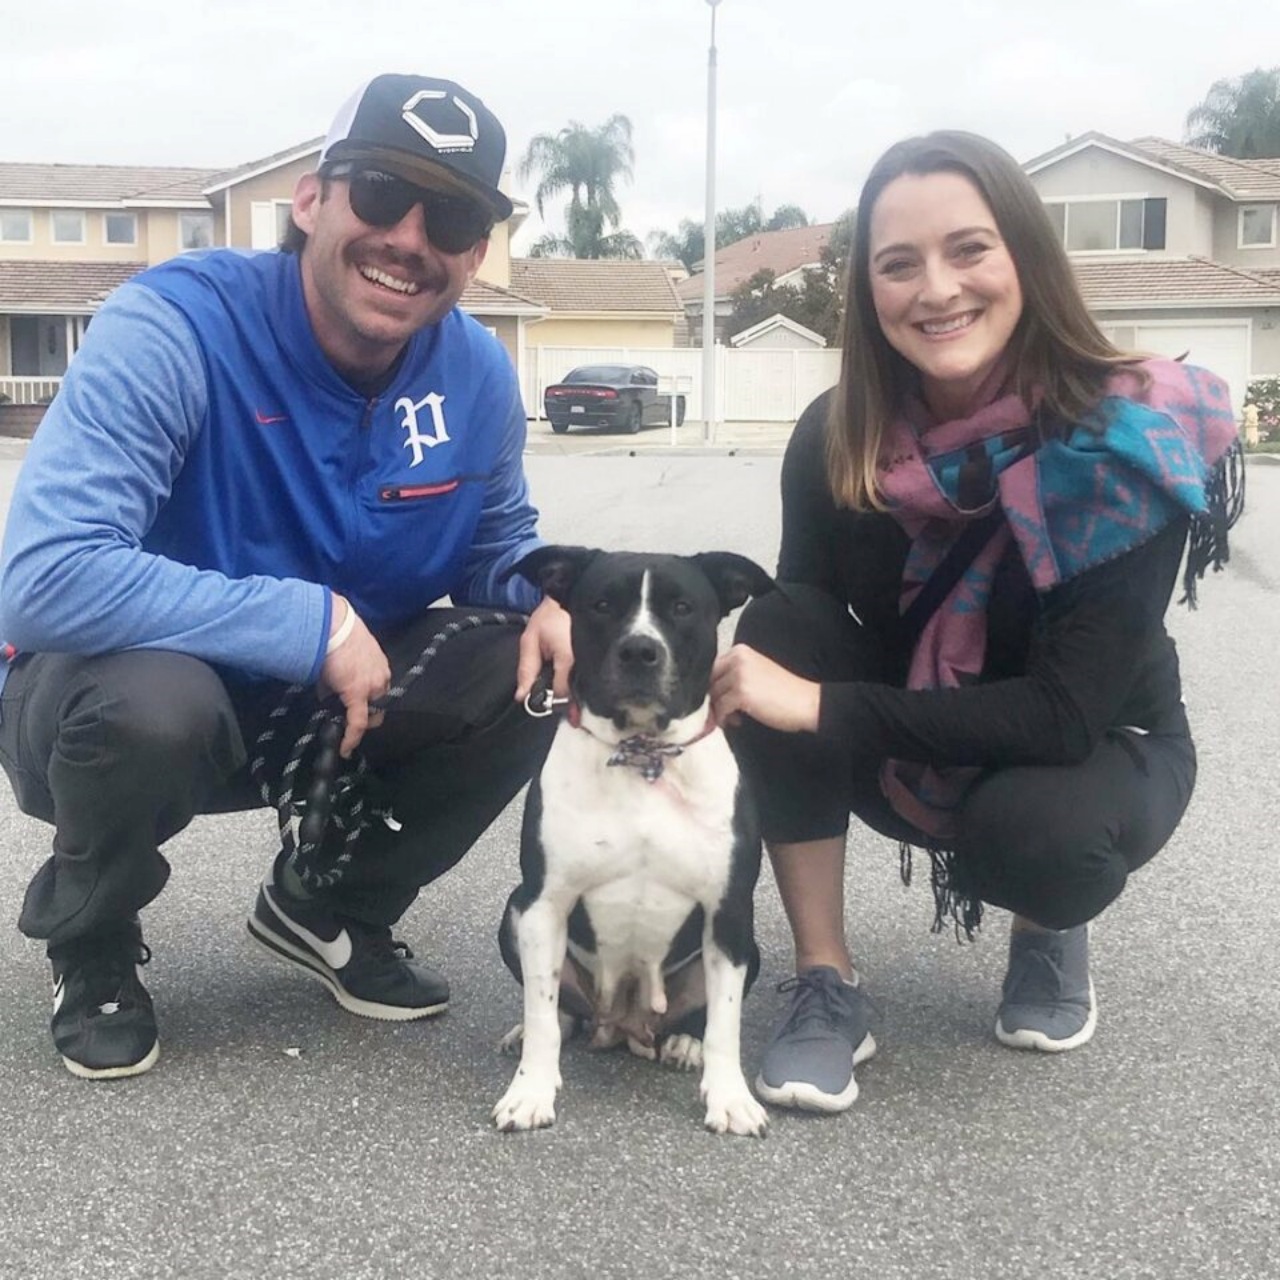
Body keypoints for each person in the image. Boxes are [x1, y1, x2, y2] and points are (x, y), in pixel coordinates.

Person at [0, 73, 572, 1080]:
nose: (409, 237)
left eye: (449, 216)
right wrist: (304, 622)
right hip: (125, 705)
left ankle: (326, 903)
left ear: (475, 252)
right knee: (151, 702)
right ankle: (91, 936)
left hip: (327, 712)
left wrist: (560, 599)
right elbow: (42, 577)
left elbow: (495, 552)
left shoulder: (475, 372)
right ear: (311, 199)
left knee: (527, 662)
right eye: (380, 193)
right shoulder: (173, 326)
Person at [709, 130, 1242, 1114]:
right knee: (775, 630)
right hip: (915, 728)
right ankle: (825, 980)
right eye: (897, 263)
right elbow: (802, 630)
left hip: (1093, 748)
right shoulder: (839, 434)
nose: (935, 288)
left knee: (1034, 829)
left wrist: (823, 706)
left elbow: (1060, 715)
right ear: (866, 290)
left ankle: (1044, 925)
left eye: (967, 249)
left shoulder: (1122, 436)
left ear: (1022, 259)